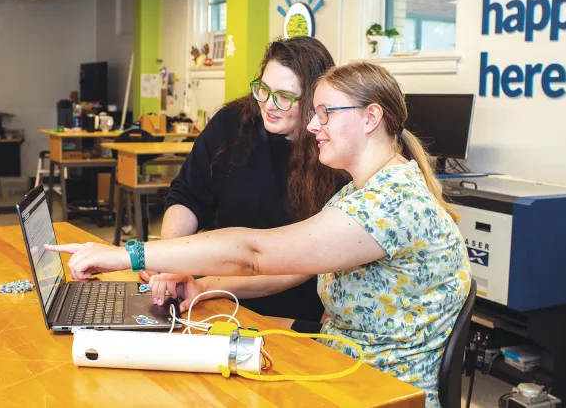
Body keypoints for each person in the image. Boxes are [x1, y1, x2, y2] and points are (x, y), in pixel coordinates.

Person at [47, 62, 471, 407]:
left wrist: (127, 256)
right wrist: (204, 288)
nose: (312, 126)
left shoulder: (390, 203)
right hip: (347, 360)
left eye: (325, 113)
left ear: (371, 117)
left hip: (380, 390)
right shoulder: (365, 190)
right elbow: (291, 269)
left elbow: (254, 253)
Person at [148, 36, 342, 325]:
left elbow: (306, 261)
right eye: (263, 89)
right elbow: (188, 195)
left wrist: (205, 284)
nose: (269, 104)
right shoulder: (233, 123)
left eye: (285, 97)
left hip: (289, 311)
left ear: (315, 101)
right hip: (215, 298)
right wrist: (168, 262)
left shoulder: (332, 152)